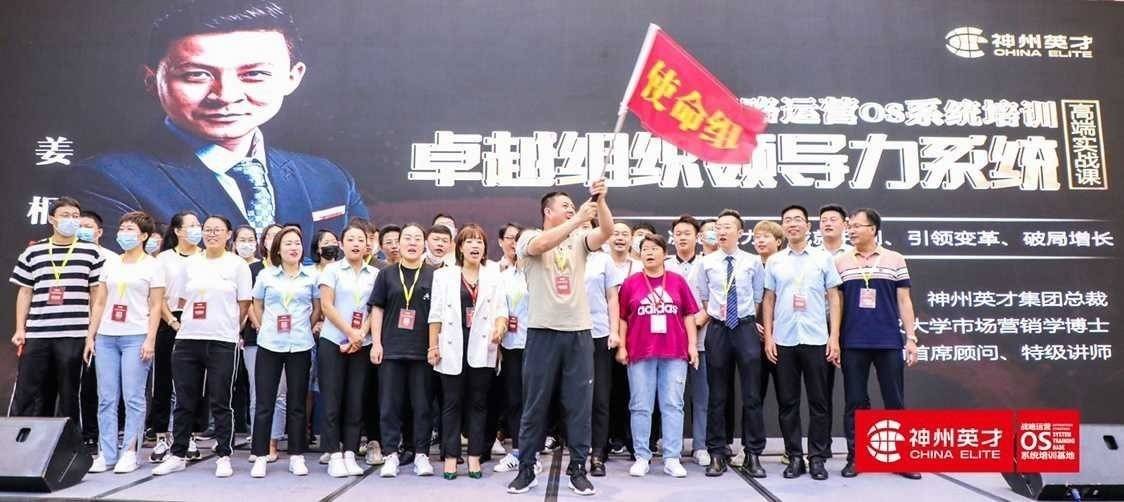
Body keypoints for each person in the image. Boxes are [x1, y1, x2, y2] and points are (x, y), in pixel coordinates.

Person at [65, 0, 367, 240]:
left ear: (292, 77)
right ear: (151, 81)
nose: (226, 95)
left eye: (254, 74)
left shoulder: (329, 178)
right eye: (197, 74)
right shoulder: (103, 181)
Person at [507, 182, 613, 496]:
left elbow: (606, 232)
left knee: (579, 406)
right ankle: (527, 468)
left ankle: (578, 469)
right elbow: (541, 245)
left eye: (572, 205)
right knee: (535, 405)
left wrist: (601, 202)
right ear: (547, 211)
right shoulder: (529, 236)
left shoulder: (579, 239)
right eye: (564, 205)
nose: (570, 209)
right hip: (542, 333)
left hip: (579, 333)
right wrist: (578, 219)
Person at [152, 215, 251, 478]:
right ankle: (178, 454)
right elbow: (183, 300)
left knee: (221, 400)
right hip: (188, 339)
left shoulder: (238, 265)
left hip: (222, 340)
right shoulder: (192, 263)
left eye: (218, 230)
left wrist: (229, 325)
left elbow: (244, 304)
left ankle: (224, 455)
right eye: (207, 230)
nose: (212, 234)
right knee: (184, 400)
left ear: (228, 234)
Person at [835, 208, 920, 480]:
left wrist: (911, 338)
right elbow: (837, 304)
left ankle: (901, 458)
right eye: (850, 226)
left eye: (857, 226)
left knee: (895, 400)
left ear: (873, 229)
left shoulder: (895, 259)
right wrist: (835, 339)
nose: (851, 230)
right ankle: (856, 457)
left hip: (888, 341)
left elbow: (904, 300)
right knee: (855, 402)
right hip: (853, 341)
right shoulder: (842, 261)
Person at [8, 197, 104, 435]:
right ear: (52, 219)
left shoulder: (91, 252)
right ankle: (21, 441)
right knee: (29, 391)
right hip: (37, 332)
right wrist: (20, 328)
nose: (71, 220)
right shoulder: (34, 251)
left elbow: (97, 297)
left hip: (74, 334)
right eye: (65, 215)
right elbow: (25, 292)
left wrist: (90, 335)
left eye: (75, 216)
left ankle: (68, 445)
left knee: (70, 392)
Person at [761, 205, 842, 481]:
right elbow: (768, 299)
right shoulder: (775, 261)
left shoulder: (823, 258)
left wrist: (834, 337)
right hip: (784, 339)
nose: (793, 224)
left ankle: (817, 458)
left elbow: (834, 297)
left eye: (798, 220)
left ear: (808, 226)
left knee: (819, 402)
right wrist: (769, 337)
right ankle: (794, 456)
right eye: (787, 220)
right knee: (788, 402)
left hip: (817, 338)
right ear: (783, 227)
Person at [84, 211, 165, 473]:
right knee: (106, 398)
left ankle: (130, 451)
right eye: (122, 229)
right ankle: (106, 453)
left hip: (136, 335)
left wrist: (150, 339)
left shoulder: (153, 265)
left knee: (133, 397)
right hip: (106, 336)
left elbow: (156, 306)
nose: (124, 234)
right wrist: (91, 335)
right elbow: (99, 302)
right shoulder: (110, 262)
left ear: (143, 236)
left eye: (130, 229)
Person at [616, 234, 699, 478]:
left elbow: (688, 315)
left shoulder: (677, 281)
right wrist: (622, 347)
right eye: (645, 249)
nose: (649, 253)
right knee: (640, 406)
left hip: (674, 352)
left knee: (673, 405)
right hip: (640, 352)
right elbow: (622, 318)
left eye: (654, 249)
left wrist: (692, 346)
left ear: (664, 254)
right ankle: (642, 456)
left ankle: (672, 458)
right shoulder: (630, 283)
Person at [692, 209, 767, 478]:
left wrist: (746, 319)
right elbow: (703, 296)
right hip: (718, 329)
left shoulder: (752, 261)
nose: (721, 232)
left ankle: (752, 453)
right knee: (717, 395)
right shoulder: (706, 263)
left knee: (752, 395)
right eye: (718, 227)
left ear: (740, 233)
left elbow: (758, 296)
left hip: (745, 328)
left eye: (727, 227)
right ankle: (717, 453)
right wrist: (719, 314)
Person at [428, 225, 506, 480]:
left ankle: (474, 456)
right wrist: (433, 346)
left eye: (479, 242)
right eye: (470, 241)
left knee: (478, 404)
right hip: (451, 345)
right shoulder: (444, 276)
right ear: (460, 247)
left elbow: (501, 311)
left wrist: (499, 328)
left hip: (482, 346)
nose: (475, 246)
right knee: (451, 403)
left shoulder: (493, 275)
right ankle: (451, 457)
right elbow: (435, 315)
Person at [249, 227, 320, 478]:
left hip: (300, 344)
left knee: (297, 403)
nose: (294, 247)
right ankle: (260, 455)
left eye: (297, 243)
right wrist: (265, 327)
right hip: (270, 344)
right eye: (288, 243)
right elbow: (257, 305)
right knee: (265, 401)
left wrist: (305, 327)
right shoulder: (266, 275)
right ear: (278, 249)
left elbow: (317, 308)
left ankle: (297, 455)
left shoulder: (310, 277)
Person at [369, 223, 436, 478]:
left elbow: (439, 314)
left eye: (417, 238)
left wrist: (435, 345)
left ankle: (421, 455)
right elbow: (377, 309)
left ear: (424, 244)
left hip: (423, 351)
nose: (412, 242)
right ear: (399, 243)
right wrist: (376, 343)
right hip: (392, 350)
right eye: (407, 238)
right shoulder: (386, 274)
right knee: (389, 405)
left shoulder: (434, 275)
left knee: (422, 406)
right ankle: (390, 455)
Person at [318, 223, 378, 477]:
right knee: (332, 400)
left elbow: (375, 308)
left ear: (367, 245)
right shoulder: (331, 270)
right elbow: (326, 306)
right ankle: (334, 454)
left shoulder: (375, 274)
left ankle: (351, 453)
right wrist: (349, 332)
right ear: (341, 245)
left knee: (356, 400)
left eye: (360, 240)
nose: (356, 244)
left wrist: (360, 334)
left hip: (361, 344)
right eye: (350, 239)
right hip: (333, 341)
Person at [148, 211, 203, 463]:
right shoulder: (163, 259)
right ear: (178, 231)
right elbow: (157, 298)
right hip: (167, 321)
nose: (196, 229)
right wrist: (171, 320)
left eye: (198, 225)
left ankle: (189, 435)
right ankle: (161, 436)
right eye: (191, 225)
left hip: (198, 322)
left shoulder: (204, 257)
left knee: (192, 383)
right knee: (163, 380)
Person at [581, 218, 623, 478]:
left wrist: (614, 331)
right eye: (580, 227)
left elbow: (612, 298)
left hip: (599, 333)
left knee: (600, 397)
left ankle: (598, 453)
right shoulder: (563, 256)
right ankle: (577, 452)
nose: (583, 231)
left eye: (589, 227)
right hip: (570, 332)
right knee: (574, 398)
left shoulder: (603, 260)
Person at [493, 227, 532, 474]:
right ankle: (518, 451)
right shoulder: (504, 277)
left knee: (536, 401)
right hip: (512, 345)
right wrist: (499, 331)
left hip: (539, 345)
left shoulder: (543, 274)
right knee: (515, 400)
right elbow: (500, 308)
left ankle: (533, 452)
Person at [752, 219, 784, 466]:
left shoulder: (786, 265)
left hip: (783, 340)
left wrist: (775, 328)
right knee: (753, 397)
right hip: (753, 340)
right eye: (757, 237)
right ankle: (751, 450)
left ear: (779, 241)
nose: (760, 241)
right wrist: (751, 323)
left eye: (766, 236)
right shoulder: (749, 265)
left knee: (787, 397)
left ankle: (791, 450)